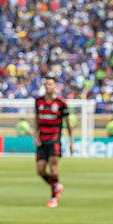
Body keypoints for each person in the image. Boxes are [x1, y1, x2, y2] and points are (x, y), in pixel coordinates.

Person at [35, 77, 72, 208]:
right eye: (46, 85)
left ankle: (53, 198)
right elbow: (36, 119)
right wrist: (36, 135)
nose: (48, 87)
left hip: (54, 139)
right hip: (42, 140)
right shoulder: (38, 101)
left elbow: (68, 123)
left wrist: (71, 140)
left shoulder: (61, 102)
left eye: (50, 84)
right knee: (40, 170)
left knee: (53, 168)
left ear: (55, 86)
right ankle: (56, 185)